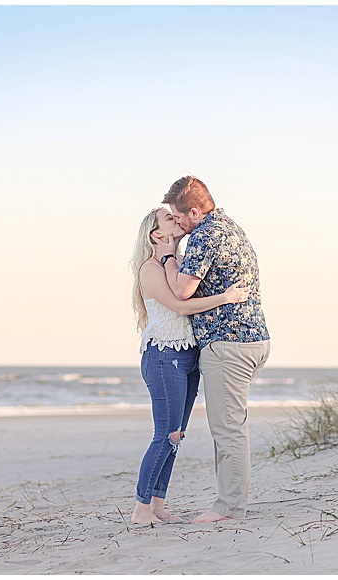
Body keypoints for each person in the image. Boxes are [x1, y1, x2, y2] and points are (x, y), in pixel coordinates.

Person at [154, 175, 270, 523]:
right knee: (233, 425)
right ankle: (232, 502)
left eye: (179, 216)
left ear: (193, 211)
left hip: (228, 343)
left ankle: (229, 507)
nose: (179, 224)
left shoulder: (205, 235)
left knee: (228, 429)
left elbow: (182, 290)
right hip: (253, 338)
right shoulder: (232, 227)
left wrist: (167, 257)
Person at [129, 207, 250, 524]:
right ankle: (141, 510)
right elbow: (180, 306)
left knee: (176, 435)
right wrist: (226, 298)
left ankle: (157, 505)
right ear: (157, 235)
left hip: (187, 356)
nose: (177, 219)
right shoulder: (150, 269)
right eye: (168, 219)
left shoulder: (177, 265)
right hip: (163, 354)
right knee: (165, 435)